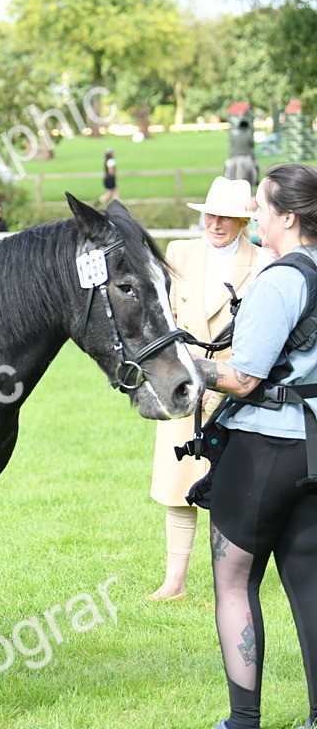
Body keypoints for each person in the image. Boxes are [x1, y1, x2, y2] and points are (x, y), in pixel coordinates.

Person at [191, 163, 317, 729]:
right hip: (313, 449)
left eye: (262, 207)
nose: (256, 216)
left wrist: (184, 367)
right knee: (310, 583)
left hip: (264, 448)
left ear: (288, 217)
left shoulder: (282, 278)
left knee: (235, 581)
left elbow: (243, 377)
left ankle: (243, 720)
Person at [147, 177, 267, 602]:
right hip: (182, 384)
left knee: (230, 486)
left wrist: (224, 379)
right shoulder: (180, 253)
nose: (214, 223)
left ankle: (229, 580)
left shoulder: (263, 262)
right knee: (177, 484)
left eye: (225, 217)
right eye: (209, 214)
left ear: (242, 222)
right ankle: (174, 581)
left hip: (236, 384)